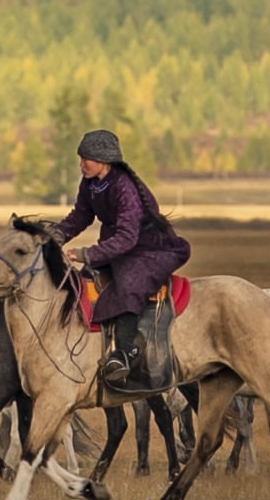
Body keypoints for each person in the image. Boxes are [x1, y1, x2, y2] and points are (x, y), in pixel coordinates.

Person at [55, 125, 191, 421]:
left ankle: (125, 354)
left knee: (127, 285)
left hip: (148, 248)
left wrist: (87, 254)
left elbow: (128, 237)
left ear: (104, 160)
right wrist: (55, 235)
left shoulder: (124, 187)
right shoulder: (90, 183)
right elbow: (80, 216)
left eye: (86, 159)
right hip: (119, 247)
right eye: (80, 158)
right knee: (84, 282)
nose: (81, 164)